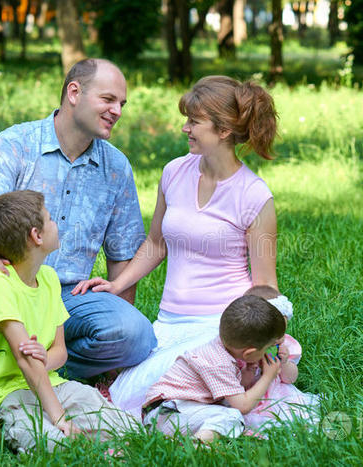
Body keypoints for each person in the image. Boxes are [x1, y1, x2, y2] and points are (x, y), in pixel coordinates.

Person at [72, 75, 279, 415]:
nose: (185, 128)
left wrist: (247, 339)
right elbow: (156, 243)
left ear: (223, 131)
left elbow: (265, 285)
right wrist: (117, 284)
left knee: (151, 398)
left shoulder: (254, 195)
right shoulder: (173, 172)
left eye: (194, 121)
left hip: (220, 326)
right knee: (129, 395)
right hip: (169, 322)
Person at [0, 58, 157, 378]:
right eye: (108, 100)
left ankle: (39, 369)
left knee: (137, 334)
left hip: (71, 300)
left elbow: (122, 256)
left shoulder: (117, 168)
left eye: (122, 103)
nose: (117, 111)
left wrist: (117, 351)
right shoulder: (16, 144)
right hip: (11, 283)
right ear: (74, 93)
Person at [0, 190, 138, 453]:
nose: (56, 224)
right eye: (50, 219)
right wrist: (59, 418)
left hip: (55, 385)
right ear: (36, 236)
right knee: (53, 443)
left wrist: (44, 360)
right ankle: (81, 441)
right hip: (11, 396)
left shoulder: (48, 278)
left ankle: (95, 443)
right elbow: (26, 361)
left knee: (129, 428)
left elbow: (60, 351)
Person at [142, 295, 284, 442]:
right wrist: (268, 377)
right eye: (269, 348)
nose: (268, 352)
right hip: (166, 414)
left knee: (230, 416)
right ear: (250, 353)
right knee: (231, 417)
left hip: (176, 410)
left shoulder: (224, 348)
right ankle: (197, 446)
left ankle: (199, 438)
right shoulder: (219, 363)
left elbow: (232, 392)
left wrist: (247, 373)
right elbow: (243, 405)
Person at [241, 285, 320, 430]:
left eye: (282, 333)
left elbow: (290, 378)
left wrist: (284, 363)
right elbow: (240, 385)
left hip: (279, 392)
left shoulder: (284, 346)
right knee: (259, 421)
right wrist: (249, 371)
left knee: (295, 412)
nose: (279, 339)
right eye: (274, 335)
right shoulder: (243, 353)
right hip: (254, 397)